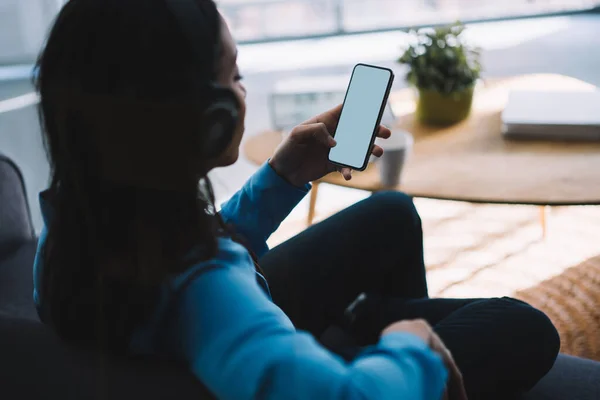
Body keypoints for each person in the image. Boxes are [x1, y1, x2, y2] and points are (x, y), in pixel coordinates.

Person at [32, 1, 559, 399]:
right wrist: (409, 345)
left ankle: (356, 314)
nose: (242, 89)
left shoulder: (73, 229)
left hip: (233, 324)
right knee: (524, 325)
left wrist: (283, 176)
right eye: (233, 76)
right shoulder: (209, 292)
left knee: (390, 213)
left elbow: (181, 247)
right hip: (286, 356)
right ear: (208, 122)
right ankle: (364, 327)